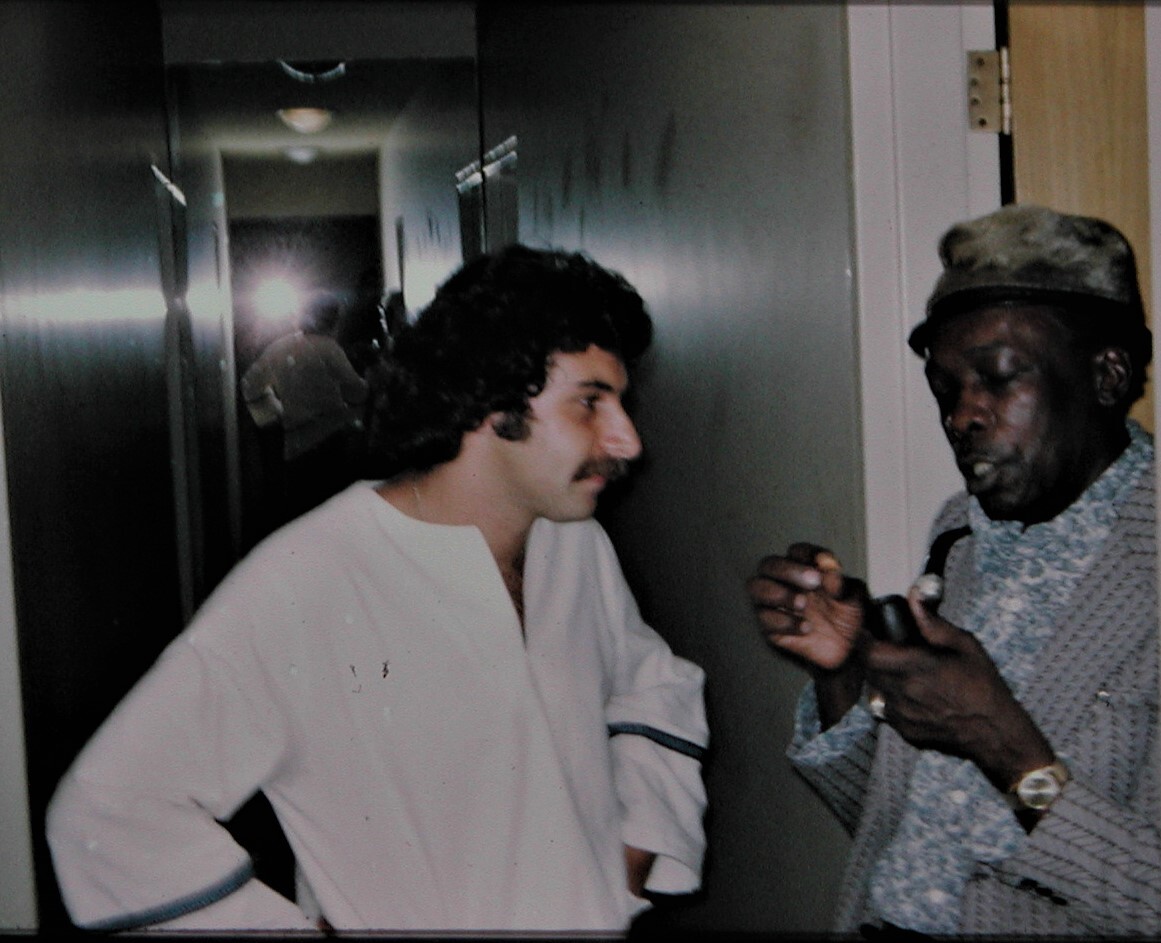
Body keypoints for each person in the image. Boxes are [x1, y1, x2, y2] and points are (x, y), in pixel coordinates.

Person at [47, 246, 708, 933]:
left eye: (619, 403)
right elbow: (107, 811)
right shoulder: (310, 579)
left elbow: (653, 683)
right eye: (590, 403)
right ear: (490, 399)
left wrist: (634, 851)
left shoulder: (575, 545)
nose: (626, 440)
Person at [748, 205, 1159, 937]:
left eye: (997, 378)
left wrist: (1008, 751)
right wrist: (842, 674)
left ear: (1106, 374)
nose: (962, 415)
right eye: (945, 386)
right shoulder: (959, 536)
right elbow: (899, 833)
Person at [240, 291, 370, 525]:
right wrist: (371, 382)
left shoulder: (280, 347)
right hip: (332, 443)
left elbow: (250, 384)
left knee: (301, 514)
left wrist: (274, 414)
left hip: (294, 446)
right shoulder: (328, 348)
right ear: (333, 319)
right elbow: (356, 392)